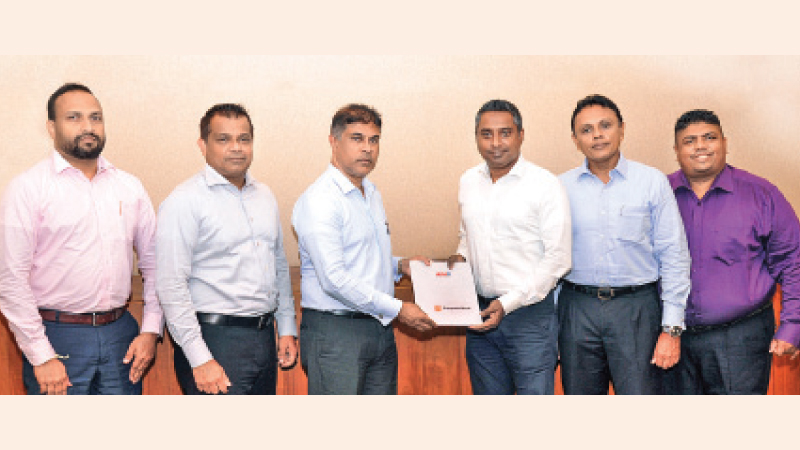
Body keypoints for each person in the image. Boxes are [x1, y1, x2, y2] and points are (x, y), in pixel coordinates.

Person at [0, 83, 162, 395]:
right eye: (73, 117)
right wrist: (41, 355)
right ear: (52, 127)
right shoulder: (28, 189)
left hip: (122, 335)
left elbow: (155, 264)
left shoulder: (129, 186)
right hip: (56, 336)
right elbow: (10, 279)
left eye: (95, 117)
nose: (88, 126)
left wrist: (151, 329)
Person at [292, 103, 436, 395]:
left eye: (374, 140)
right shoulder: (320, 200)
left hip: (378, 328)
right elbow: (333, 278)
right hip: (336, 332)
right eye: (357, 138)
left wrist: (400, 265)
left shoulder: (370, 192)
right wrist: (398, 309)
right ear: (334, 142)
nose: (367, 148)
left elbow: (361, 256)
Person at [156, 103, 297, 395]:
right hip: (214, 341)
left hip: (264, 337)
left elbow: (279, 266)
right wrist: (199, 358)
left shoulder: (265, 196)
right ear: (202, 145)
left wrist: (286, 327)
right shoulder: (184, 201)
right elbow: (171, 286)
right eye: (223, 139)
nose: (236, 148)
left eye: (244, 139)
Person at [558, 94, 691, 395]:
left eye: (605, 125)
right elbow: (550, 258)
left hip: (636, 310)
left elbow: (674, 254)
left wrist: (672, 328)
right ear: (576, 140)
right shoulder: (560, 188)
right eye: (586, 130)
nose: (597, 135)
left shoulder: (652, 182)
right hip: (577, 308)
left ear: (622, 129)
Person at [664, 109, 800, 395]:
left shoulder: (762, 194)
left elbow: (792, 262)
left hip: (742, 340)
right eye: (689, 141)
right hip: (673, 340)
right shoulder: (658, 195)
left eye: (709, 137)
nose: (700, 146)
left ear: (724, 143)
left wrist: (792, 325)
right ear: (676, 150)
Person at [446, 99, 571, 395]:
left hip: (530, 318)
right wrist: (460, 257)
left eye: (505, 133)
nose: (495, 143)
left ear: (520, 135)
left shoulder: (545, 184)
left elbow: (559, 259)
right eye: (486, 134)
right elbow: (466, 236)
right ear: (476, 137)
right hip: (478, 315)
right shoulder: (468, 181)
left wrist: (507, 303)